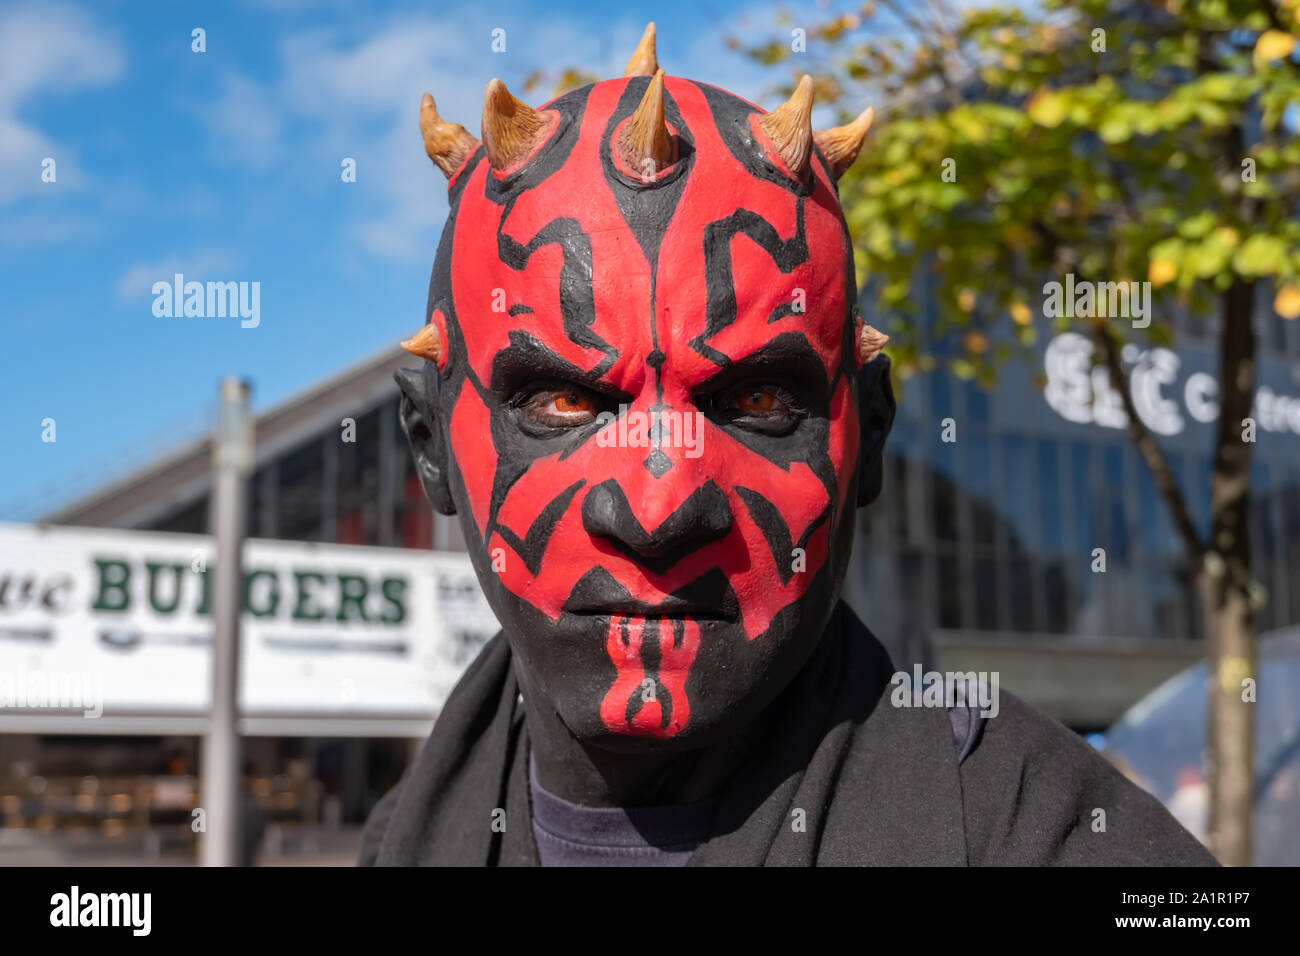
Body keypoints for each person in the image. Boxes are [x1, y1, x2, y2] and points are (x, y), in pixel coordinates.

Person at [359, 23, 1216, 867]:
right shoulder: (396, 836)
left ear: (868, 438)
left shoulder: (1069, 845)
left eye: (757, 399)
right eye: (564, 401)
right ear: (430, 444)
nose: (657, 510)